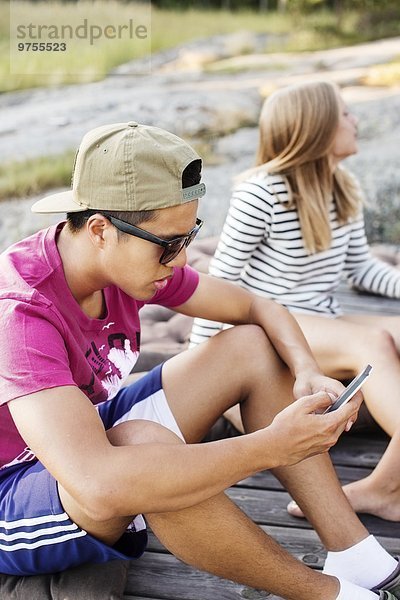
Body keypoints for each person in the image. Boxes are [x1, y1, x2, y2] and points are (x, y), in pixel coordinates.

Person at [0, 121, 399, 600]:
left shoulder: (128, 262)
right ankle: (328, 594)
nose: (182, 260)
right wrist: (273, 446)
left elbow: (257, 307)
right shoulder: (21, 313)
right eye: (170, 245)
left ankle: (354, 552)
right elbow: (99, 483)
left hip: (78, 437)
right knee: (141, 450)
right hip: (15, 492)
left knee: (251, 347)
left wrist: (308, 369)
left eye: (190, 237)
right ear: (102, 230)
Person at [189, 79, 400, 524]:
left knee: (384, 335)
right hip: (272, 329)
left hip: (322, 320)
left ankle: (387, 485)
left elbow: (362, 269)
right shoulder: (260, 192)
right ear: (317, 126)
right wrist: (199, 369)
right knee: (374, 342)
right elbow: (221, 280)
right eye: (346, 113)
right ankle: (383, 490)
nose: (356, 120)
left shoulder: (343, 185)